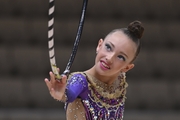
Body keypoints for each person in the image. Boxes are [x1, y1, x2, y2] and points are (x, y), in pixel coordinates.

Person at [44, 20, 144, 120]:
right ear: (99, 45)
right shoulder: (80, 81)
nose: (109, 58)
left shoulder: (120, 80)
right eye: (108, 47)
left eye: (121, 57)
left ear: (126, 67)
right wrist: (61, 94)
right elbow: (69, 94)